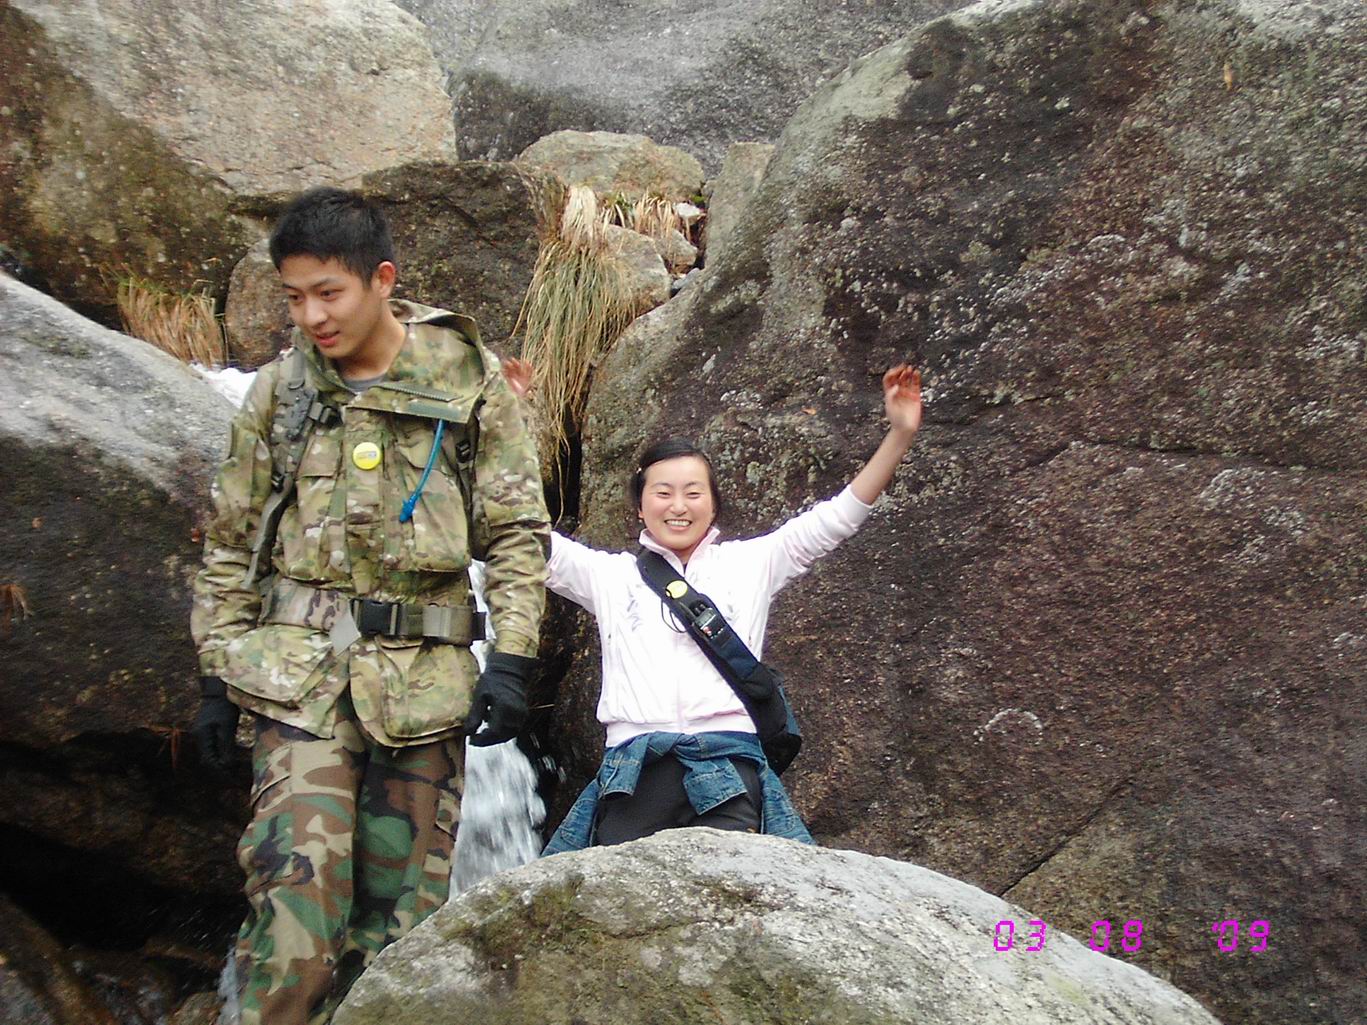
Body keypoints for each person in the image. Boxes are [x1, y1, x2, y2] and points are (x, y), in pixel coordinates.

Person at [190, 187, 550, 1025]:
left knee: (396, 944)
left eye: (329, 292)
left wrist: (511, 661)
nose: (311, 315)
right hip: (298, 686)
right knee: (295, 921)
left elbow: (515, 534)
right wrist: (215, 675)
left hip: (423, 692)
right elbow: (233, 541)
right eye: (294, 297)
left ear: (382, 279)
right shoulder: (279, 394)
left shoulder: (466, 381)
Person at [502, 358, 921, 850]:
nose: (678, 506)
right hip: (633, 770)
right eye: (663, 493)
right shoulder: (608, 576)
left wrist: (900, 435)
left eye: (693, 493)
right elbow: (523, 534)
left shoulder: (754, 562)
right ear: (640, 506)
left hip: (728, 766)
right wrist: (507, 422)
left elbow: (839, 517)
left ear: (713, 502)